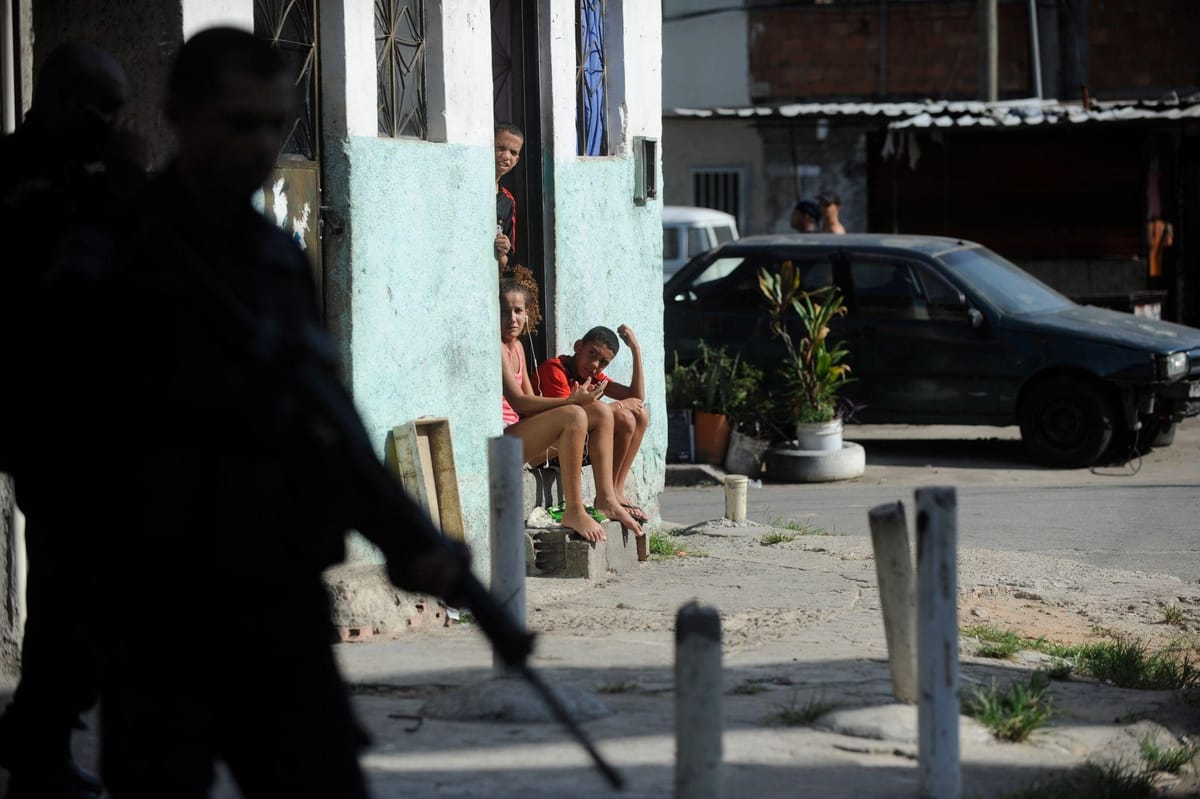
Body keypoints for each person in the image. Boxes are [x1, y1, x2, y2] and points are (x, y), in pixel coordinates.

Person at [25, 28, 472, 797]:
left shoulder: (271, 256)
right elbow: (67, 415)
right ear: (180, 115)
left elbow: (328, 423)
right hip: (160, 607)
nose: (261, 143)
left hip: (277, 598)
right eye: (239, 122)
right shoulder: (112, 245)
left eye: (276, 123)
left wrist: (409, 538)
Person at [0, 41, 147, 799]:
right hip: (40, 416)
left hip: (75, 428)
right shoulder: (29, 179)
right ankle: (37, 747)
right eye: (99, 105)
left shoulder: (85, 177)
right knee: (71, 592)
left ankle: (39, 737)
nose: (110, 122)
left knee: (76, 595)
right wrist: (120, 173)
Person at [499, 266, 609, 542]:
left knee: (600, 411)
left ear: (528, 314)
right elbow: (518, 400)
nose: (512, 318)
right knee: (574, 414)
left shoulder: (519, 348)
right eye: (504, 311)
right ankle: (573, 508)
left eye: (518, 311)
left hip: (522, 437)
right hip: (502, 442)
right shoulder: (497, 346)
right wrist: (571, 401)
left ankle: (608, 496)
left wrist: (578, 402)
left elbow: (527, 407)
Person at [535, 326, 650, 529]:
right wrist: (619, 405)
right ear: (578, 346)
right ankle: (607, 498)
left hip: (574, 445)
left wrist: (635, 350)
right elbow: (569, 418)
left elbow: (637, 398)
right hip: (548, 449)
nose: (595, 365)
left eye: (603, 362)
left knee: (639, 416)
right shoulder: (555, 370)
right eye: (592, 354)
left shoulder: (592, 376)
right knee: (619, 414)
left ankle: (615, 492)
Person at [494, 124, 524, 269]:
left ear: (516, 161)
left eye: (513, 152)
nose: (506, 156)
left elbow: (505, 264)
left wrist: (501, 253)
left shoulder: (507, 201)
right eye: (500, 148)